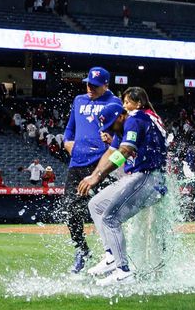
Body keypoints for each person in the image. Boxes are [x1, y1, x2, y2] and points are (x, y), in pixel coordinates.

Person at [78, 87, 170, 285]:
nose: (112, 130)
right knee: (95, 205)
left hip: (149, 178)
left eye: (112, 125)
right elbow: (113, 152)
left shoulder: (135, 119)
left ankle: (123, 271)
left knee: (110, 218)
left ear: (121, 115)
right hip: (143, 176)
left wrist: (98, 177)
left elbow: (125, 152)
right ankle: (111, 256)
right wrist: (93, 175)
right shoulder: (137, 118)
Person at [61, 66, 124, 273]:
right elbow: (70, 128)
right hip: (77, 163)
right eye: (88, 84)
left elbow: (122, 132)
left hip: (101, 165)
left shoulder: (114, 103)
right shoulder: (79, 100)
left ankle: (114, 255)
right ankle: (82, 250)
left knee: (107, 211)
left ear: (106, 85)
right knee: (70, 209)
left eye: (95, 86)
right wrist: (66, 141)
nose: (90, 88)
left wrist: (112, 141)